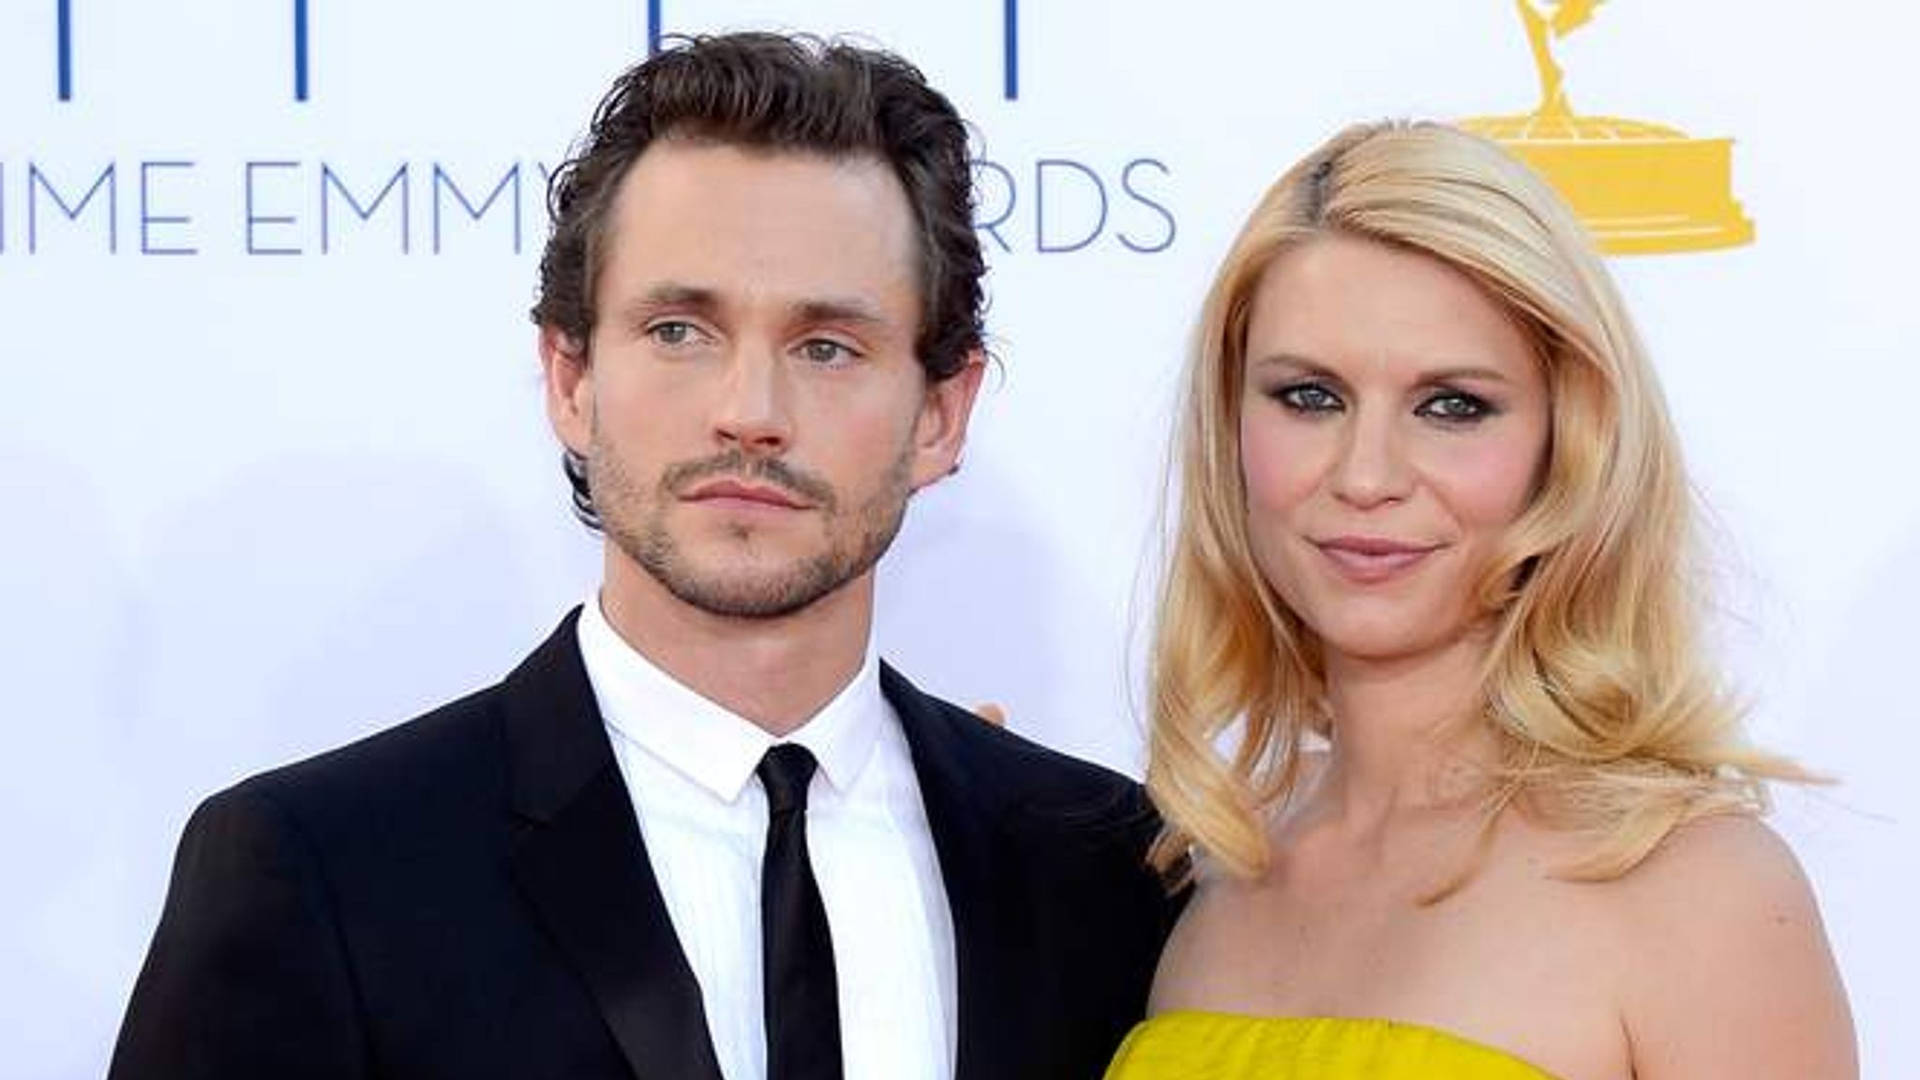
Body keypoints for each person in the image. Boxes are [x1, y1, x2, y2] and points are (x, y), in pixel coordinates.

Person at [109, 33, 1174, 1080]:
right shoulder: (324, 873)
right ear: (570, 379)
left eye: (826, 347)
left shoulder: (1101, 865)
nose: (749, 413)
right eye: (678, 331)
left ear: (942, 413)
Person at [1104, 121, 1856, 1079]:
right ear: (1229, 423)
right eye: (1308, 397)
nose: (1367, 475)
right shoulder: (1208, 876)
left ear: (1568, 444)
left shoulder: (1697, 894)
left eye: (1452, 405)